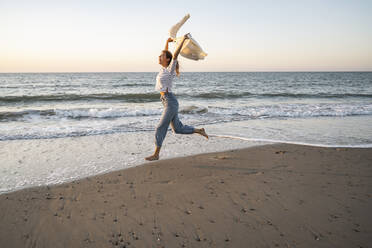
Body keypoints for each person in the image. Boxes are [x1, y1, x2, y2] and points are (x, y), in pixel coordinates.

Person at [145, 33, 209, 161]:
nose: (159, 57)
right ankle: (199, 130)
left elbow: (174, 55)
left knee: (160, 127)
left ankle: (156, 154)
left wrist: (183, 41)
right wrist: (167, 43)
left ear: (167, 60)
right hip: (166, 101)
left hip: (170, 102)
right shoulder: (163, 69)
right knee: (177, 129)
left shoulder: (170, 69)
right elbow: (167, 54)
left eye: (161, 56)